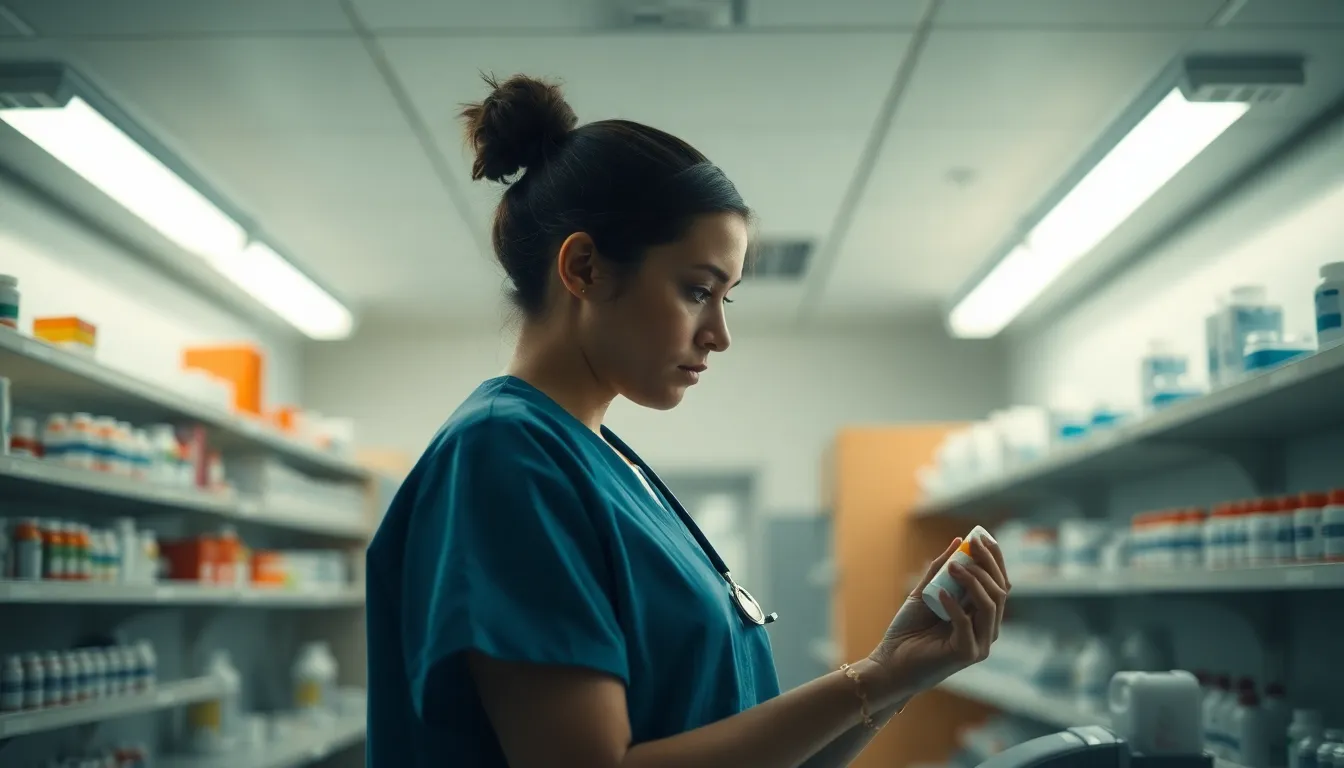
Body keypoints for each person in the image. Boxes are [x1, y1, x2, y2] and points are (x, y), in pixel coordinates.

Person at [364, 73, 1011, 768]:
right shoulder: (504, 455)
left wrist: (896, 674)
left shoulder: (611, 463)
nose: (719, 334)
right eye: (698, 290)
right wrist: (871, 681)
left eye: (726, 298)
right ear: (583, 268)